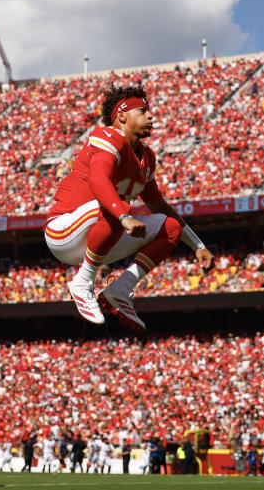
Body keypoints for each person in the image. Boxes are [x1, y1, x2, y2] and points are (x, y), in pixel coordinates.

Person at [45, 86, 214, 330]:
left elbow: (158, 204)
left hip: (99, 236)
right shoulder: (108, 136)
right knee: (118, 205)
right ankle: (82, 283)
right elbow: (98, 180)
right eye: (143, 111)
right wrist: (123, 215)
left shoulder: (146, 157)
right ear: (122, 116)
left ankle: (120, 290)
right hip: (64, 232)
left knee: (171, 228)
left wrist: (198, 245)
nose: (151, 116)